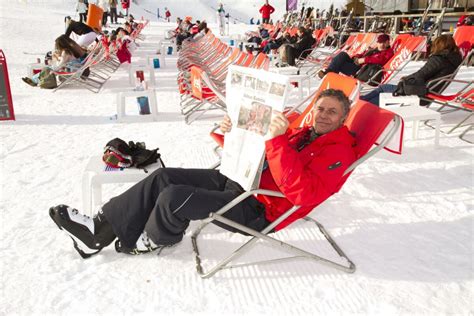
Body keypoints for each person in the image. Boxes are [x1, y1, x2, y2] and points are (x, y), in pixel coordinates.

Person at [48, 89, 357, 258]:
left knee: (173, 199)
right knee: (162, 177)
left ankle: (155, 239)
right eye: (320, 109)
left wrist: (276, 140)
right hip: (243, 182)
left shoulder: (339, 153)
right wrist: (228, 133)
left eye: (332, 112)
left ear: (344, 118)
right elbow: (259, 152)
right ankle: (97, 230)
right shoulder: (303, 133)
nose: (324, 116)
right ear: (312, 111)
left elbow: (301, 194)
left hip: (261, 207)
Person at [360, 34, 463, 106]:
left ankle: (362, 104)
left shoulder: (439, 59)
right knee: (383, 89)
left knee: (383, 89)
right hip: (427, 92)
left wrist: (405, 79)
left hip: (420, 93)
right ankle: (362, 102)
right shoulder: (453, 60)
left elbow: (420, 74)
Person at [318, 33, 394, 79]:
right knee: (343, 55)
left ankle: (329, 74)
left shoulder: (388, 52)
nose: (382, 45)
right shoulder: (374, 49)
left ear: (388, 42)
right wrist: (357, 57)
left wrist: (364, 60)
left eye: (384, 42)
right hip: (358, 64)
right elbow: (363, 54)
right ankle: (329, 72)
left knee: (338, 64)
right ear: (377, 43)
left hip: (362, 71)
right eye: (380, 42)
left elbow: (380, 60)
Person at [22, 35, 88, 87]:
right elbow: (64, 62)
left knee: (48, 69)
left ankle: (34, 80)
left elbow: (60, 65)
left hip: (72, 70)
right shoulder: (68, 51)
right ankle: (34, 80)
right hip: (74, 68)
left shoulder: (65, 52)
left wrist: (54, 62)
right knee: (49, 68)